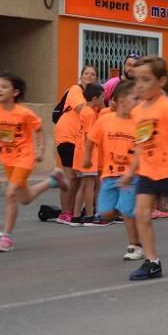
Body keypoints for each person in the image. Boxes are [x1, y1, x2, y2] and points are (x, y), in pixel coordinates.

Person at [120, 57, 168, 281]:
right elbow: (139, 146)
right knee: (142, 213)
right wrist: (130, 171)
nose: (140, 85)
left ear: (161, 81)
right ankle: (152, 262)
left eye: (146, 80)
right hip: (148, 171)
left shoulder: (167, 108)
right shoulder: (137, 112)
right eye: (137, 80)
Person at [0, 73, 67, 253]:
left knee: (11, 193)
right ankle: (53, 180)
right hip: (7, 158)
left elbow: (38, 128)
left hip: (24, 156)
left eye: (4, 86)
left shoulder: (23, 113)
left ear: (15, 92)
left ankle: (7, 238)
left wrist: (40, 149)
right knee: (25, 198)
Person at [84, 79, 143, 260]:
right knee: (105, 213)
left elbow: (141, 152)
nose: (136, 103)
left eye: (137, 100)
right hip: (109, 175)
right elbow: (91, 140)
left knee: (127, 210)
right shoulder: (105, 120)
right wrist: (87, 159)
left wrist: (130, 173)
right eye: (133, 99)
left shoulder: (140, 123)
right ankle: (123, 208)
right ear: (118, 101)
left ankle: (135, 245)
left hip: (131, 175)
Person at [53, 65, 99, 225]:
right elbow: (82, 109)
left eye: (93, 74)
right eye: (86, 73)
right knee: (71, 176)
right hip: (66, 135)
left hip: (80, 139)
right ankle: (65, 212)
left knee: (79, 177)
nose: (89, 76)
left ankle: (73, 211)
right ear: (81, 77)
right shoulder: (75, 89)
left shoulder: (95, 97)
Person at [70, 83, 106, 225]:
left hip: (80, 151)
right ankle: (90, 214)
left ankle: (76, 214)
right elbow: (89, 135)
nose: (104, 100)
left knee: (83, 185)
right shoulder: (90, 113)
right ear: (95, 98)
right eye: (102, 97)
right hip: (87, 152)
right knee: (89, 185)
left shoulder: (84, 111)